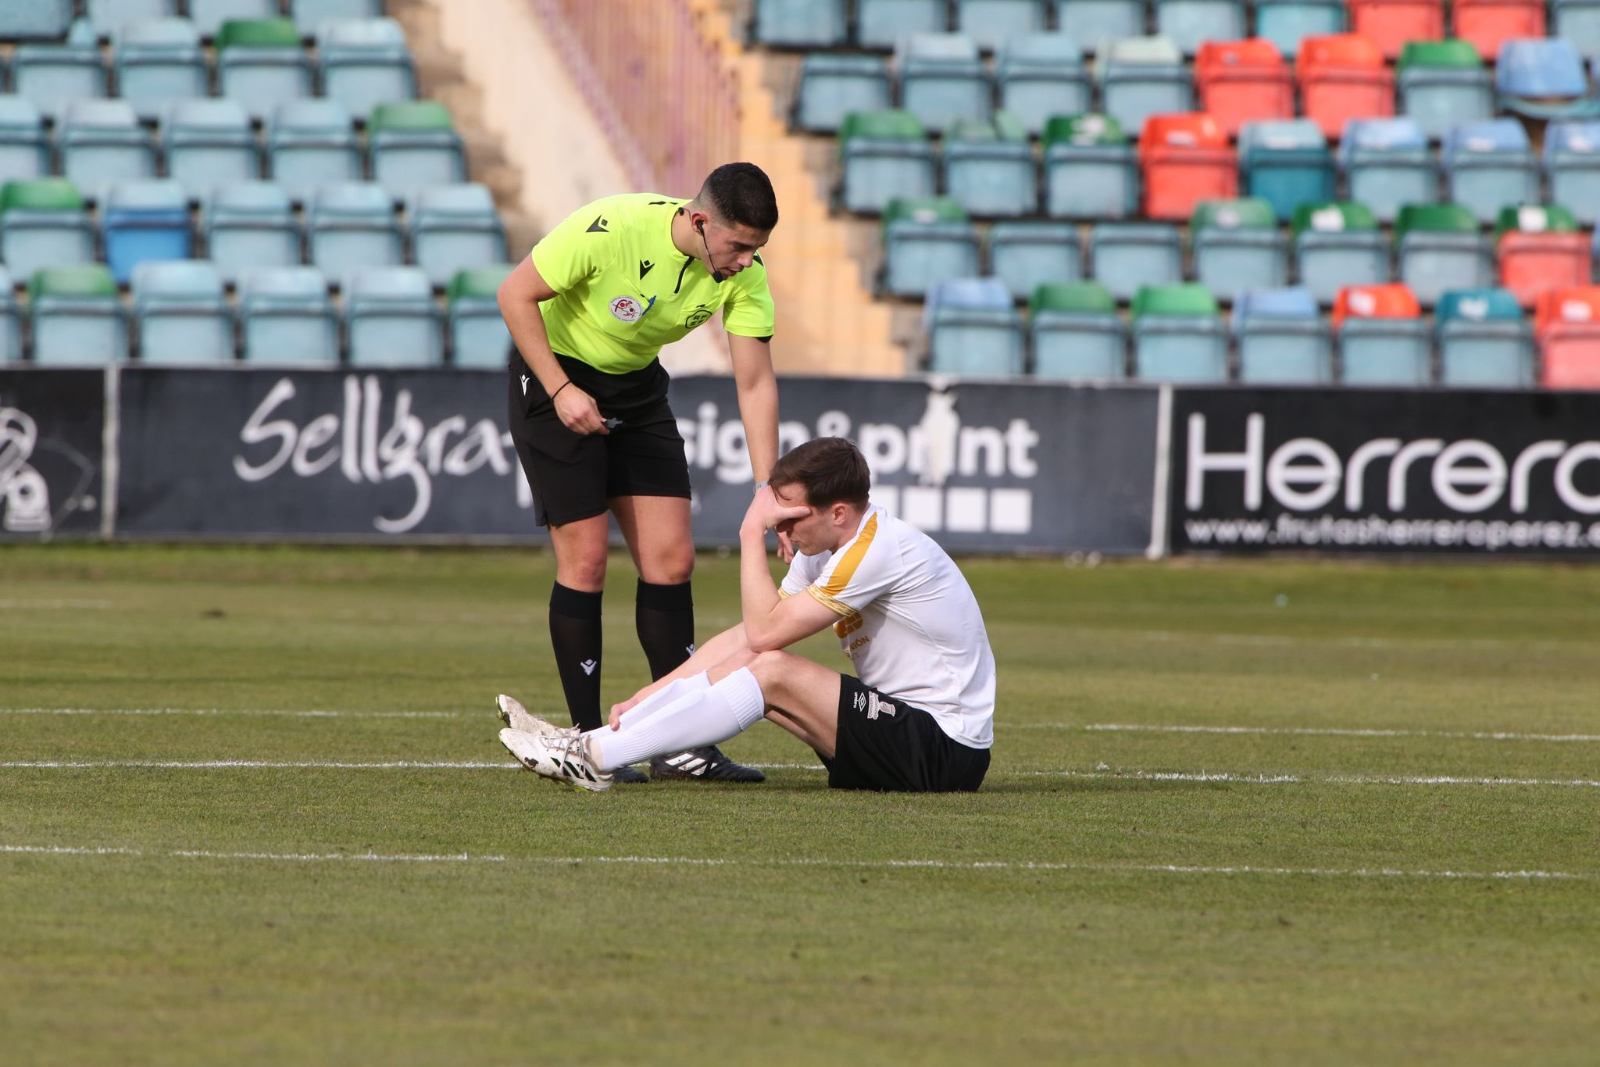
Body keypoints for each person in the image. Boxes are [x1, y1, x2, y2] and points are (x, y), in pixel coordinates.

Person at [497, 162, 786, 784]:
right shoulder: (612, 227)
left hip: (636, 392)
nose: (744, 262)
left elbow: (755, 381)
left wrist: (768, 490)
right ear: (700, 221)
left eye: (756, 250)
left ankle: (679, 747)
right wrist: (561, 389)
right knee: (587, 563)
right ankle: (585, 744)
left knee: (671, 561)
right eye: (737, 246)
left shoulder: (745, 275)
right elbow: (513, 296)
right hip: (553, 374)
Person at [497, 437, 996, 794]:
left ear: (838, 512)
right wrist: (649, 694)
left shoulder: (879, 549)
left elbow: (765, 633)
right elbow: (749, 638)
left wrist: (748, 531)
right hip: (898, 735)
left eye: (790, 515)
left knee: (773, 669)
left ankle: (594, 759)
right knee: (759, 663)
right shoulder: (826, 546)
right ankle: (590, 742)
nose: (781, 526)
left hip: (946, 750)